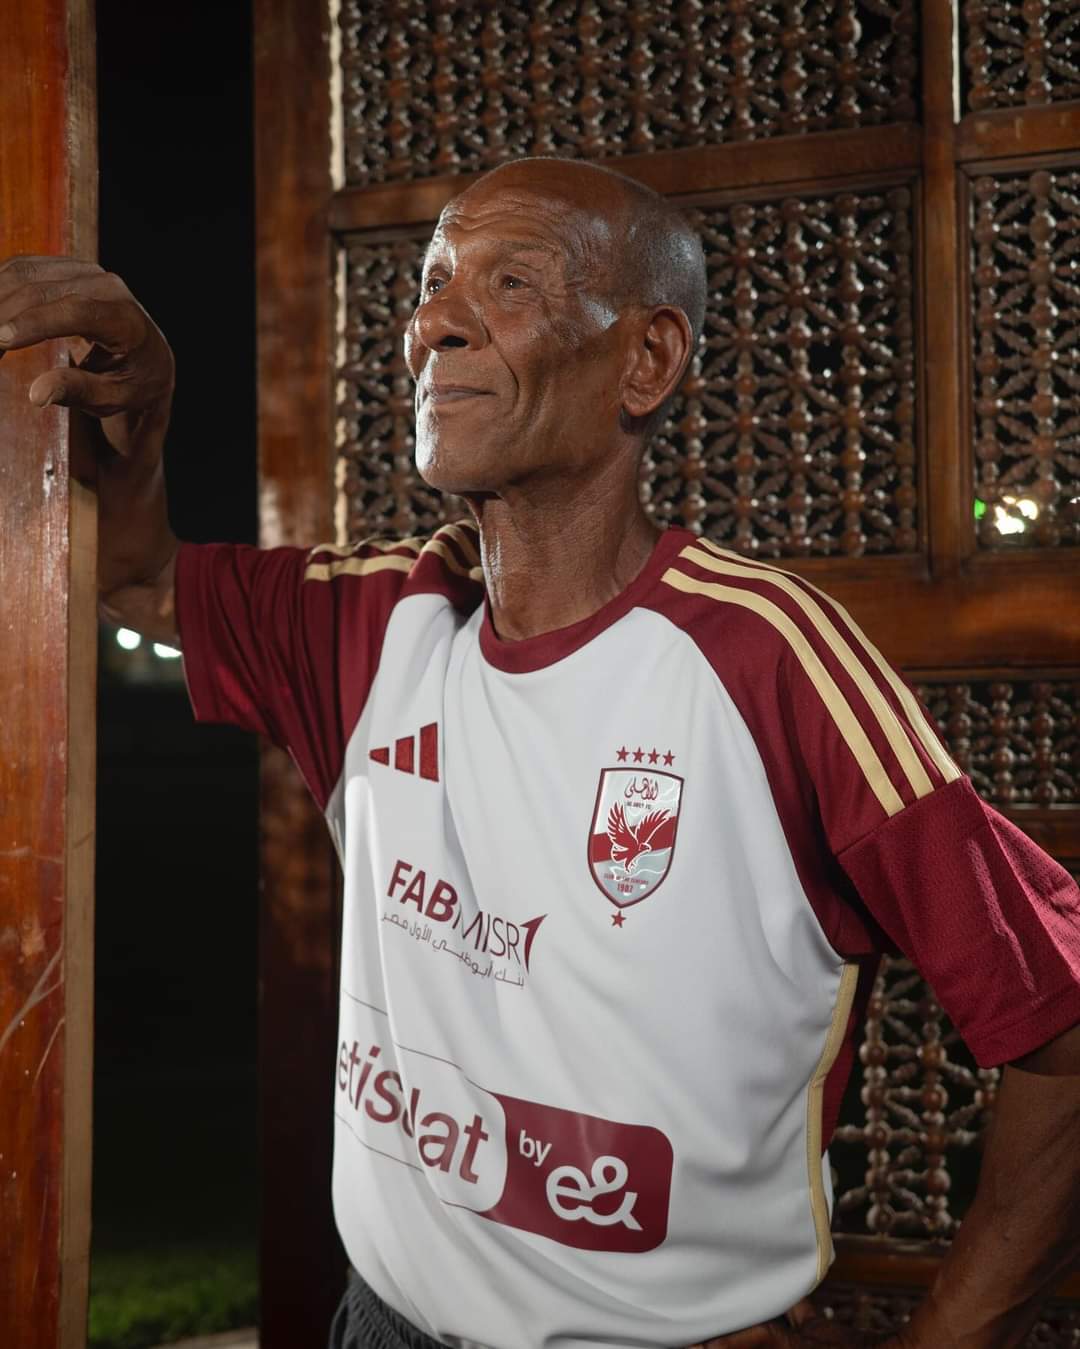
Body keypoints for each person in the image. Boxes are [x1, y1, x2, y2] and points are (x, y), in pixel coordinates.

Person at [2, 157, 1079, 1349]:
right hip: (381, 1324)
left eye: (509, 282)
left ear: (647, 360)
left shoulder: (771, 659)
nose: (434, 321)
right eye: (432, 281)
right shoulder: (372, 618)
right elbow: (134, 574)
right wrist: (141, 417)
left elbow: (1061, 1017)